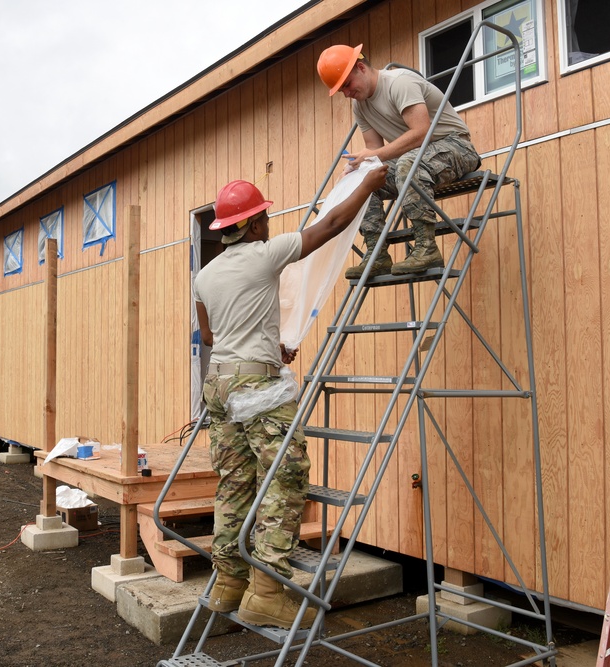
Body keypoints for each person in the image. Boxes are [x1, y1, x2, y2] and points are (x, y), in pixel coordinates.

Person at [193, 167, 386, 629]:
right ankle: (267, 590)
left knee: (235, 482)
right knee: (284, 476)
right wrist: (367, 185)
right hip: (256, 387)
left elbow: (207, 334)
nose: (267, 226)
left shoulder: (205, 274)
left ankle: (227, 582)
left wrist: (265, 342)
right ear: (255, 224)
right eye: (264, 219)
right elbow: (333, 225)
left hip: (218, 382)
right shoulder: (266, 253)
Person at [316, 43, 481, 279]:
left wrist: (372, 157)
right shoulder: (359, 106)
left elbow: (421, 132)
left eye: (347, 85)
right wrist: (355, 167)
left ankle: (426, 248)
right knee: (362, 180)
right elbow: (374, 148)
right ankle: (377, 254)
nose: (346, 93)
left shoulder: (399, 83)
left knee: (407, 165)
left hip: (456, 147)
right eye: (340, 90)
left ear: (360, 68)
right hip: (414, 157)